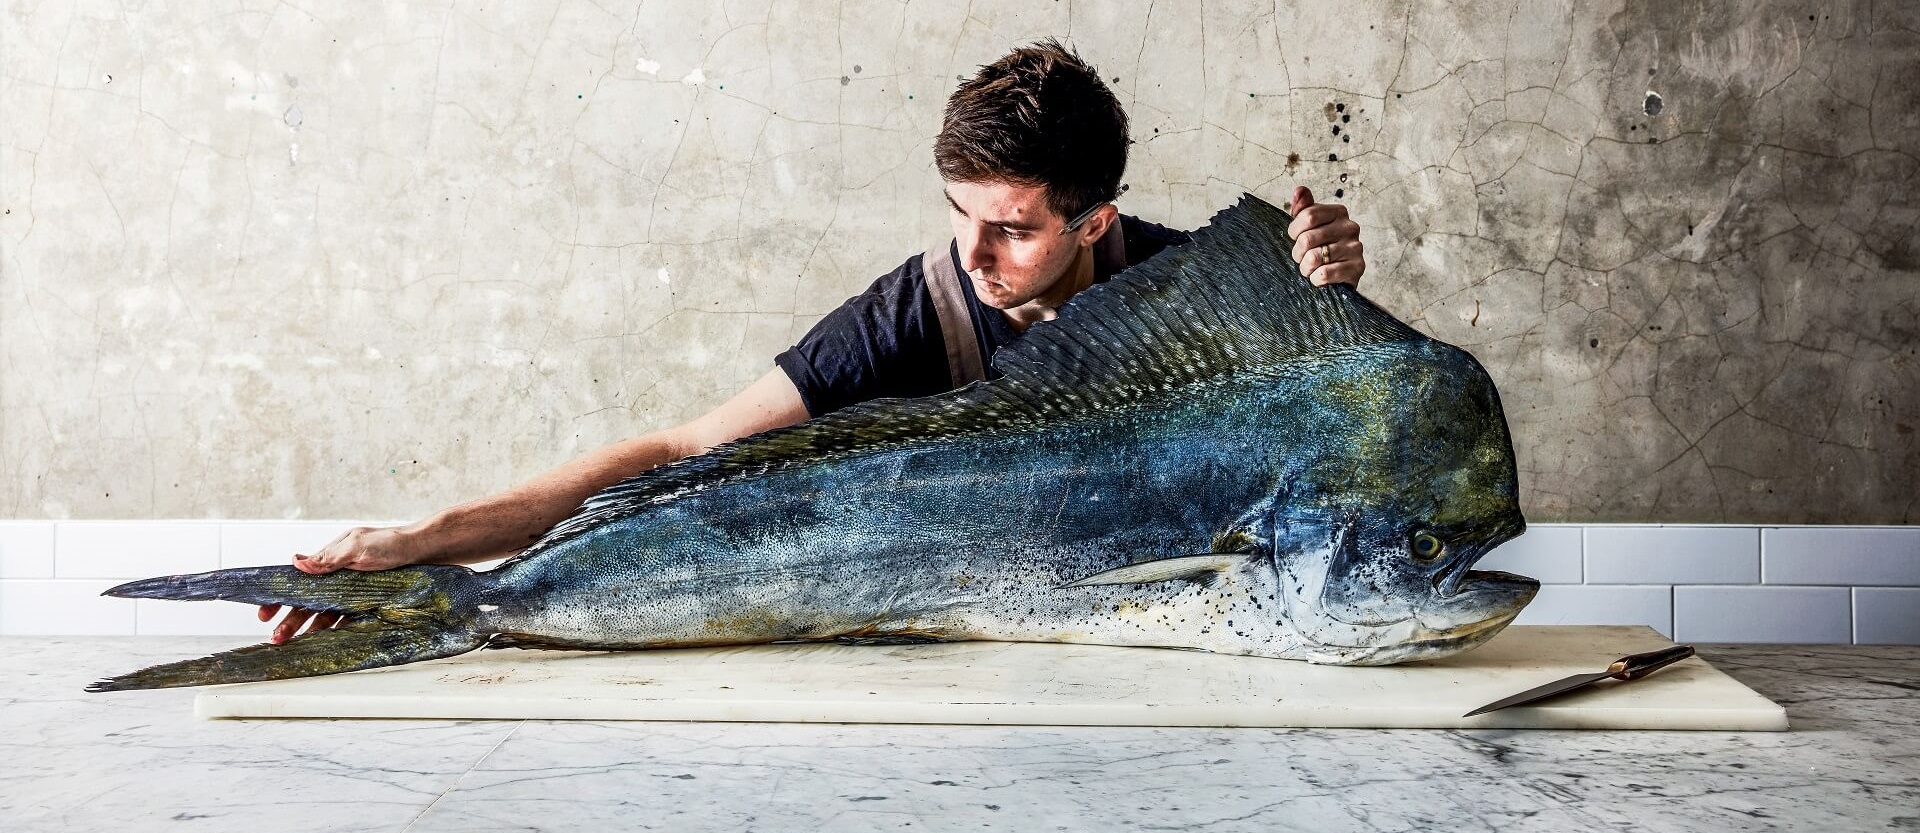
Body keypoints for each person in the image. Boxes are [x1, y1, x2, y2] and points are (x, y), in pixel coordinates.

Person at [259, 39, 1368, 643]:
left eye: (1016, 230)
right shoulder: (907, 315)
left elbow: (1330, 432)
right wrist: (431, 538)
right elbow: (684, 447)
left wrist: (1324, 287)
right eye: (956, 212)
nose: (975, 256)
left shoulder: (1190, 288)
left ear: (1096, 222)